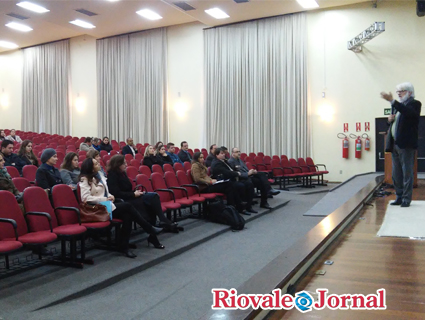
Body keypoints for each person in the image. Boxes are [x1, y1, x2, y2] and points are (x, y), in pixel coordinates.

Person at [79, 158, 163, 258]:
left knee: (128, 216)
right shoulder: (85, 180)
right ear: (91, 168)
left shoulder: (100, 176)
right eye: (96, 163)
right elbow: (85, 198)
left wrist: (111, 196)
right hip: (97, 208)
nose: (99, 164)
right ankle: (149, 228)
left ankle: (124, 246)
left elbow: (107, 191)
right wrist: (105, 199)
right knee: (127, 206)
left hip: (107, 206)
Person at [107, 155, 178, 232]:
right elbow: (116, 193)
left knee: (153, 196)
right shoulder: (112, 175)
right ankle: (152, 227)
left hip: (131, 196)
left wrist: (136, 192)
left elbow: (127, 189)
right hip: (124, 200)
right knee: (147, 203)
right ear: (117, 164)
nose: (126, 165)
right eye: (124, 163)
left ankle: (161, 220)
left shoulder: (122, 173)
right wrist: (133, 194)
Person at [381, 82, 421, 207]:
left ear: (409, 92)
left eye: (401, 91)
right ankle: (398, 196)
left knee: (407, 173)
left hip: (406, 145)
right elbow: (395, 124)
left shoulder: (414, 104)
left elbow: (409, 113)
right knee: (396, 173)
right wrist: (389, 121)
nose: (398, 93)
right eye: (397, 91)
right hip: (395, 144)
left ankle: (406, 199)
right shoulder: (398, 106)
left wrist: (392, 101)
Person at [211, 148, 257, 214]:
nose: (224, 154)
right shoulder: (216, 163)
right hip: (225, 181)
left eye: (224, 153)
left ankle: (248, 206)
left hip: (231, 179)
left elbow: (231, 170)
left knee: (249, 184)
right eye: (222, 153)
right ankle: (240, 207)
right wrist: (237, 173)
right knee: (240, 186)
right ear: (216, 155)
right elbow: (227, 172)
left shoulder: (224, 161)